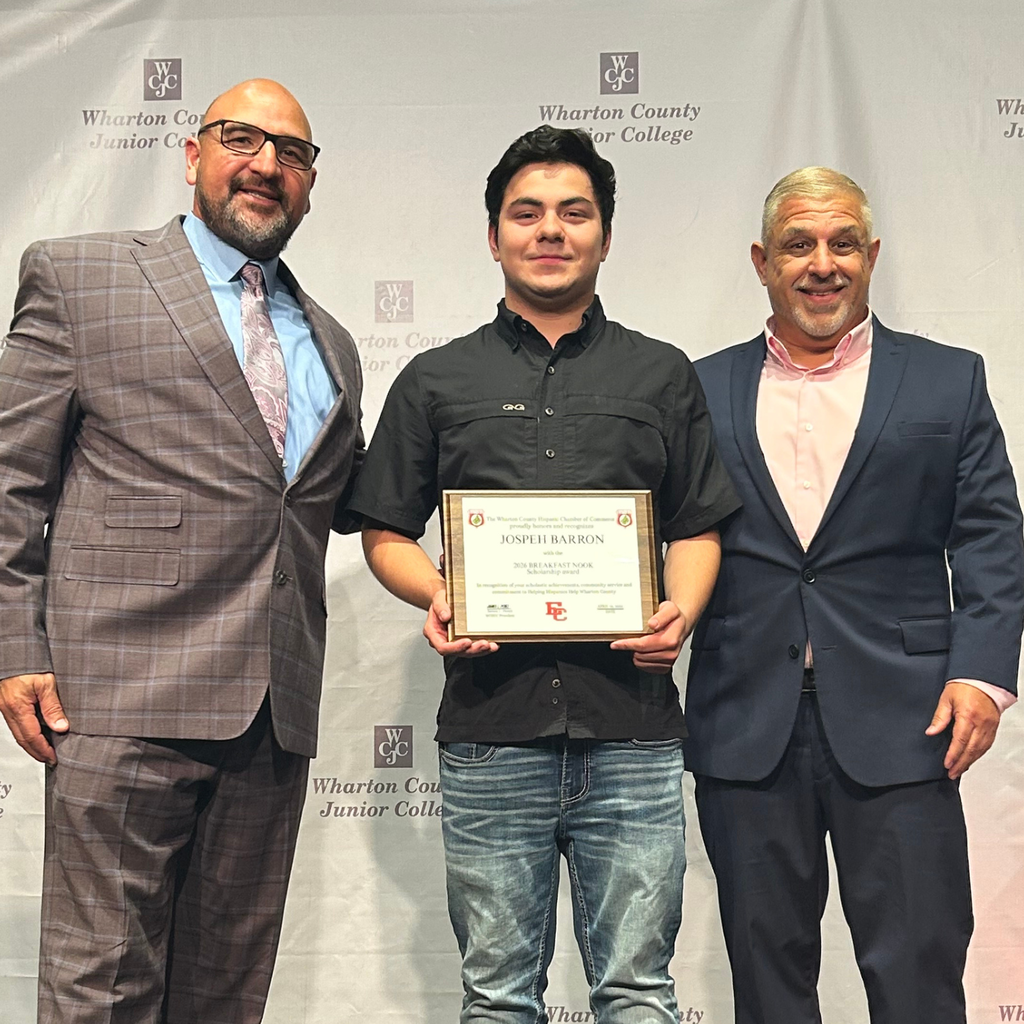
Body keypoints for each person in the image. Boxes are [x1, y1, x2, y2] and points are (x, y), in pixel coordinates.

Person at [346, 125, 740, 1023]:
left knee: (640, 993)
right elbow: (384, 531)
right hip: (492, 732)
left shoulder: (662, 374)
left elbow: (697, 527)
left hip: (634, 735)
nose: (550, 231)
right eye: (527, 214)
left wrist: (678, 609)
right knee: (495, 998)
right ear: (495, 237)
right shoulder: (436, 379)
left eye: (574, 213)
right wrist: (440, 591)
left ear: (604, 233)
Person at [0, 78, 364, 1023]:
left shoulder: (331, 342)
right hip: (117, 702)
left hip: (270, 719)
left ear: (311, 185)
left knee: (224, 1001)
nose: (267, 165)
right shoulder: (80, 277)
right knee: (99, 996)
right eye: (243, 138)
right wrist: (16, 650)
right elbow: (10, 486)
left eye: (292, 153)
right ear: (193, 154)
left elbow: (341, 505)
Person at [687, 166, 1024, 1024]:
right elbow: (660, 530)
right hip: (744, 723)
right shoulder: (694, 388)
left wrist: (983, 674)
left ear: (872, 256)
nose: (822, 263)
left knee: (919, 971)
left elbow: (990, 536)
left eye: (843, 244)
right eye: (799, 244)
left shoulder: (948, 380)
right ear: (762, 261)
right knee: (767, 984)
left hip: (910, 720)